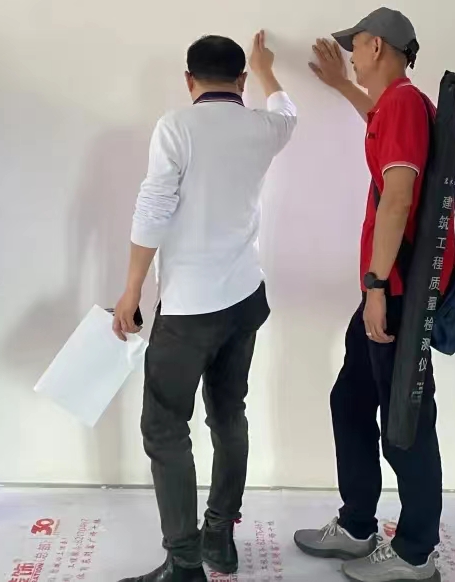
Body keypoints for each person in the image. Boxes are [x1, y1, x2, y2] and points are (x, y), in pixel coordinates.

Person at [113, 31, 297, 582]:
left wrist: (131, 289)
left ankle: (184, 562)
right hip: (244, 299)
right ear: (240, 80)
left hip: (189, 309)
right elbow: (287, 111)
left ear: (188, 80)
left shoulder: (177, 126)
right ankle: (219, 536)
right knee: (228, 414)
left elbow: (154, 207)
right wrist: (266, 69)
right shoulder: (266, 128)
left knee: (165, 426)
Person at [294, 8, 455, 582]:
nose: (353, 55)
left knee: (406, 422)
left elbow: (399, 197)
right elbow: (379, 124)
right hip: (392, 286)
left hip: (398, 289)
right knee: (351, 400)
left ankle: (415, 553)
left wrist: (377, 286)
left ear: (379, 47)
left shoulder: (404, 104)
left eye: (356, 47)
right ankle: (359, 524)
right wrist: (341, 85)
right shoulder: (398, 105)